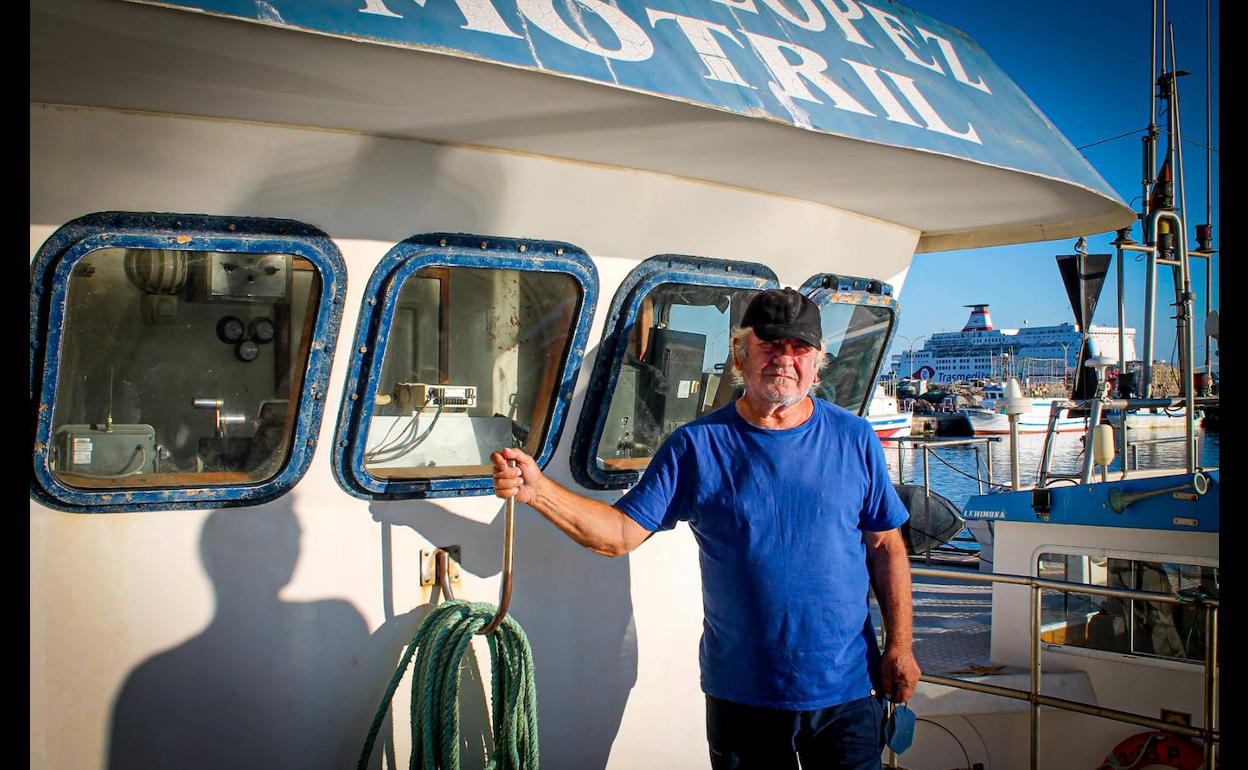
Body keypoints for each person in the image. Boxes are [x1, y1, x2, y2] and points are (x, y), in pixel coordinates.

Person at [492, 287, 920, 769]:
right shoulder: (696, 446)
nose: (785, 359)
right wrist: (537, 490)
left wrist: (900, 645)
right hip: (743, 695)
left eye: (799, 349)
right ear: (740, 353)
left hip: (846, 692)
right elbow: (618, 534)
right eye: (771, 345)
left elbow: (887, 546)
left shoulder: (854, 438)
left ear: (817, 363)